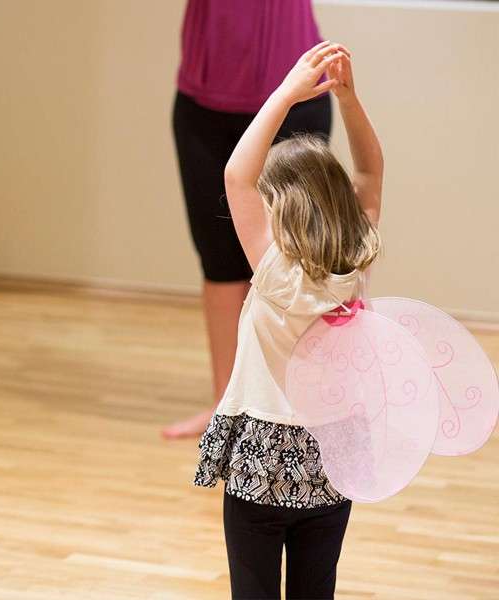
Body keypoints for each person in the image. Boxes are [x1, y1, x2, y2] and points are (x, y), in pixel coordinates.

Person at [193, 43, 382, 599]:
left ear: (280, 207)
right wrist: (348, 99)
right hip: (332, 453)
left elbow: (235, 175)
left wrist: (285, 94)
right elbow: (370, 168)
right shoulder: (357, 261)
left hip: (262, 457)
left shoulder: (275, 271)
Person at [164, 0, 332, 439]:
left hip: (297, 100)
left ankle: (294, 412)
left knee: (297, 267)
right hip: (205, 107)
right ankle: (227, 410)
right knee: (219, 261)